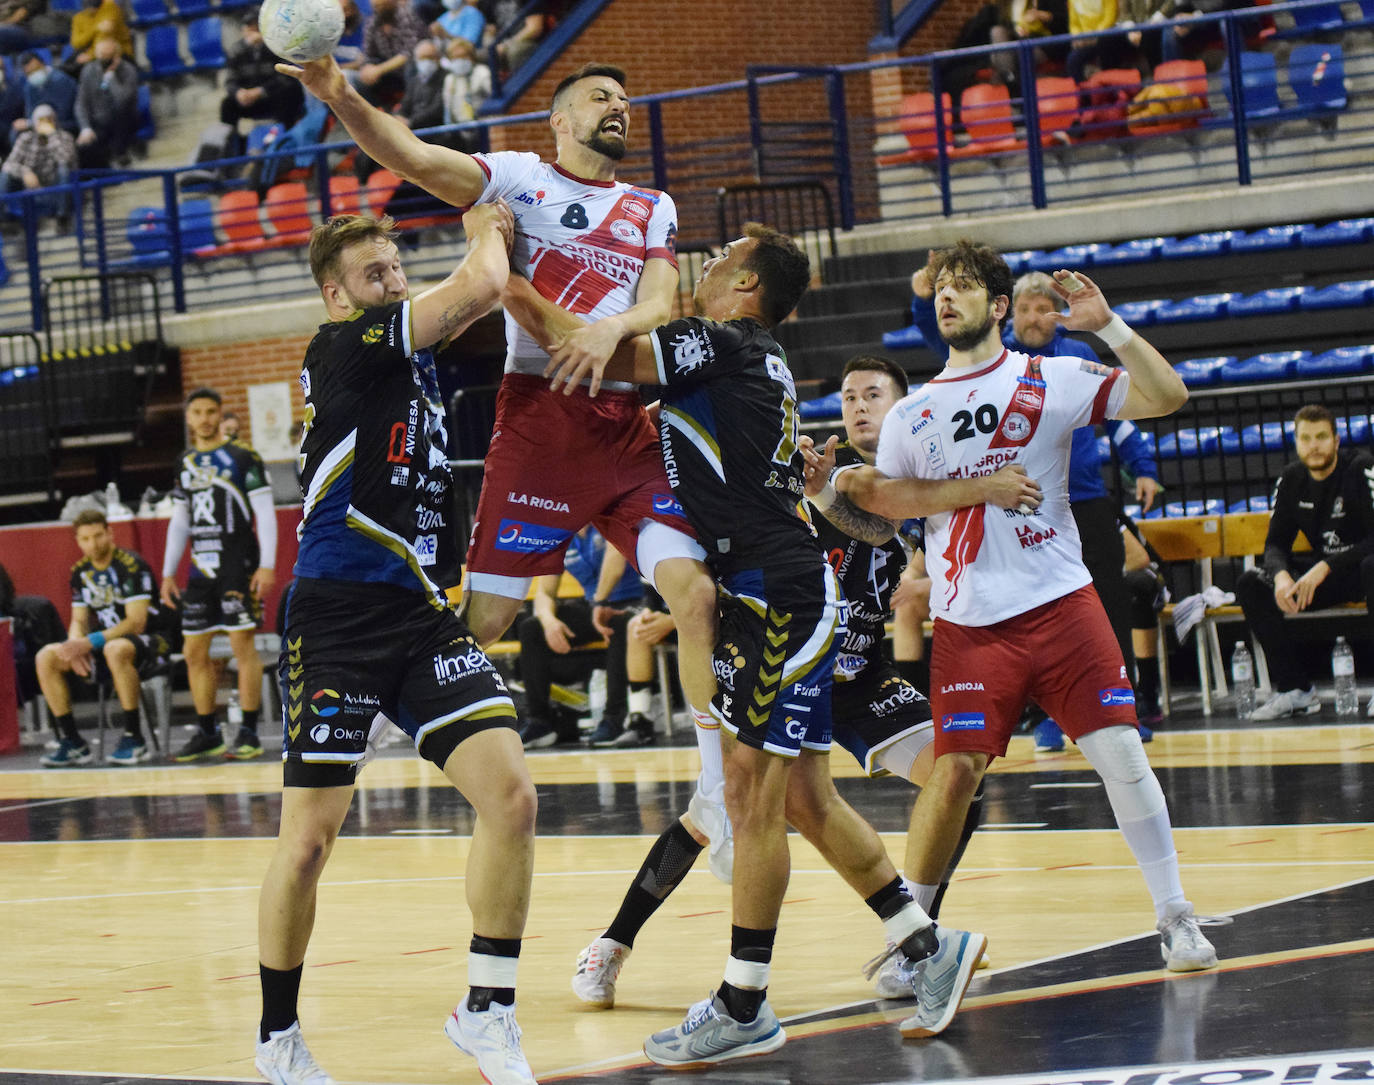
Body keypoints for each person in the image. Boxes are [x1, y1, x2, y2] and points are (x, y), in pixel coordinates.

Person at [501, 224, 1000, 1066]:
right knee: (801, 797)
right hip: (773, 585)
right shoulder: (748, 353)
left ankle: (743, 1000)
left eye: (729, 252)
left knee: (752, 797)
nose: (713, 256)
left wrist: (510, 281)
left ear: (746, 288)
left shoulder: (720, 341)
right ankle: (927, 948)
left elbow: (594, 353)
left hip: (778, 591)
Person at [278, 56, 726, 864]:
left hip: (625, 418)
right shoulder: (517, 178)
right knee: (484, 620)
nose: (617, 107)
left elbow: (661, 303)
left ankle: (718, 791)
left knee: (694, 598)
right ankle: (392, 710)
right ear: (557, 120)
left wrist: (610, 330)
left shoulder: (651, 203)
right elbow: (413, 157)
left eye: (625, 98)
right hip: (541, 417)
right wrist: (343, 96)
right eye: (599, 98)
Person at [839, 242, 1219, 1040]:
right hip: (971, 622)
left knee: (1121, 754)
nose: (947, 299)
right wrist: (824, 497)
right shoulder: (911, 414)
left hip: (1060, 604)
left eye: (965, 287)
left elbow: (1167, 394)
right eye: (940, 287)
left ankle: (1176, 915)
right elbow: (886, 515)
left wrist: (1109, 326)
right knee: (954, 777)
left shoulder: (1049, 378)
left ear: (1000, 305)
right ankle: (914, 938)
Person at [568, 352, 995, 1017]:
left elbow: (879, 526)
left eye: (872, 394)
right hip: (787, 648)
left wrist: (830, 496)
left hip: (859, 674)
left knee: (959, 777)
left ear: (904, 407)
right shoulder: (791, 462)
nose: (857, 405)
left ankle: (918, 933)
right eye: (849, 394)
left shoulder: (888, 480)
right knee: (722, 803)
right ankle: (614, 942)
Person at [254, 205, 542, 1085]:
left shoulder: (409, 366)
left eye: (395, 267)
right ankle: (277, 1037)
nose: (393, 280)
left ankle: (487, 1010)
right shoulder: (346, 344)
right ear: (336, 293)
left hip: (417, 612)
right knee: (308, 840)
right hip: (338, 611)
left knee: (513, 797)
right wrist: (486, 218)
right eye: (375, 274)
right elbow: (483, 286)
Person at [909, 263, 1162, 748]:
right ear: (1008, 314)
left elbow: (1122, 424)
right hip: (1021, 502)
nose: (1032, 316)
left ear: (1057, 312)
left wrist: (1143, 466)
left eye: (1041, 307)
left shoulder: (1075, 356)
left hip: (1086, 500)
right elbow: (940, 335)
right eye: (1023, 307)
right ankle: (1047, 715)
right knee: (1027, 609)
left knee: (1107, 604)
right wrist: (924, 299)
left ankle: (1119, 705)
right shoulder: (1000, 362)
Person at [160, 388, 277, 762]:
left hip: (237, 567)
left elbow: (265, 512)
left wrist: (268, 564)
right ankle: (208, 732)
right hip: (200, 570)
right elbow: (180, 520)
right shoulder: (185, 462)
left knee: (244, 648)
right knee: (194, 651)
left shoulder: (243, 457)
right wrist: (167, 572)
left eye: (212, 411)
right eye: (198, 412)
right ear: (188, 418)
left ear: (220, 414)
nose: (205, 418)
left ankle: (248, 731)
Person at [1237, 403, 1374, 720]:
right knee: (1252, 583)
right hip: (1323, 579)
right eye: (1306, 438)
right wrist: (1281, 574)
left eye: (1322, 437)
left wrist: (1326, 566)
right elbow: (1274, 544)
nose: (1314, 446)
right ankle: (1295, 690)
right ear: (1296, 442)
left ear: (1336, 441)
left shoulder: (1361, 468)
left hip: (1360, 569)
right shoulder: (1291, 479)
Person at [35, 509, 173, 767]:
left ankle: (134, 737)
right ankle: (73, 742)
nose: (93, 544)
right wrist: (75, 646)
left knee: (116, 649)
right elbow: (78, 620)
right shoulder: (80, 571)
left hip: (151, 641)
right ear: (77, 540)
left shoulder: (131, 565)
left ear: (110, 534)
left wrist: (90, 642)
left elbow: (136, 621)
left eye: (98, 536)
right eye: (85, 539)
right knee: (47, 657)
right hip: (105, 642)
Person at [515, 524, 641, 748]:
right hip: (592, 607)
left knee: (620, 625)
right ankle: (541, 722)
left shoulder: (608, 518)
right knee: (531, 628)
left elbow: (615, 564)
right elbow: (545, 593)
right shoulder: (560, 533)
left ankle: (614, 719)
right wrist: (548, 620)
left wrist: (600, 602)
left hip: (630, 604)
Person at [221, 9, 305, 141]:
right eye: (250, 26)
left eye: (257, 27)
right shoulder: (236, 51)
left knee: (290, 91)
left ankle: (287, 138)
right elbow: (230, 81)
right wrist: (238, 93)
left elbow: (287, 76)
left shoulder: (278, 47)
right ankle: (233, 145)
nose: (253, 30)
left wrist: (260, 91)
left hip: (273, 96)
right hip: (250, 99)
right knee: (227, 104)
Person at [1, 103, 75, 224]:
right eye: (41, 120)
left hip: (53, 187)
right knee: (6, 174)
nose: (44, 123)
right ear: (34, 123)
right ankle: (3, 220)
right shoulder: (25, 138)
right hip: (29, 186)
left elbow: (65, 160)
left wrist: (51, 135)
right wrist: (25, 172)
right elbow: (9, 164)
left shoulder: (64, 137)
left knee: (64, 170)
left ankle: (63, 218)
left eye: (49, 120)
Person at [74, 35, 137, 169]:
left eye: (109, 55)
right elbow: (81, 103)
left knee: (122, 115)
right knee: (83, 146)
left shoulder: (128, 71)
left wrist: (111, 77)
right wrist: (85, 127)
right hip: (98, 121)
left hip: (122, 120)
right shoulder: (88, 71)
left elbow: (123, 101)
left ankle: (120, 157)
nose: (105, 59)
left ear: (117, 55)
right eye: (102, 55)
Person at [357, 0, 427, 105]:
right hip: (388, 72)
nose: (379, 9)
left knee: (411, 66)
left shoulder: (406, 15)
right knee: (354, 77)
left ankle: (407, 111)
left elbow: (409, 53)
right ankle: (380, 110)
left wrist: (379, 69)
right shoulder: (373, 21)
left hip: (411, 69)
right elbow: (368, 54)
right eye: (376, 6)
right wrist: (368, 67)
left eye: (382, 6)